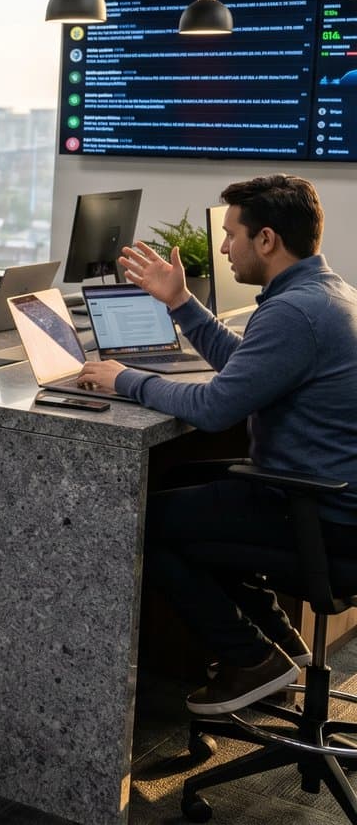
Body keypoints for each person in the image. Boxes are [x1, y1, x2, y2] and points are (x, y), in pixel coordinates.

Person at [77, 175, 357, 715]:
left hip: (325, 517)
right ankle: (280, 648)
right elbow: (244, 368)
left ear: (267, 240)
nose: (224, 247)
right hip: (330, 497)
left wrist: (123, 379)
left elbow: (214, 409)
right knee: (186, 488)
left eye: (231, 235)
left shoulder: (293, 313)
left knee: (142, 522)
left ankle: (251, 659)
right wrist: (180, 301)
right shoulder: (324, 293)